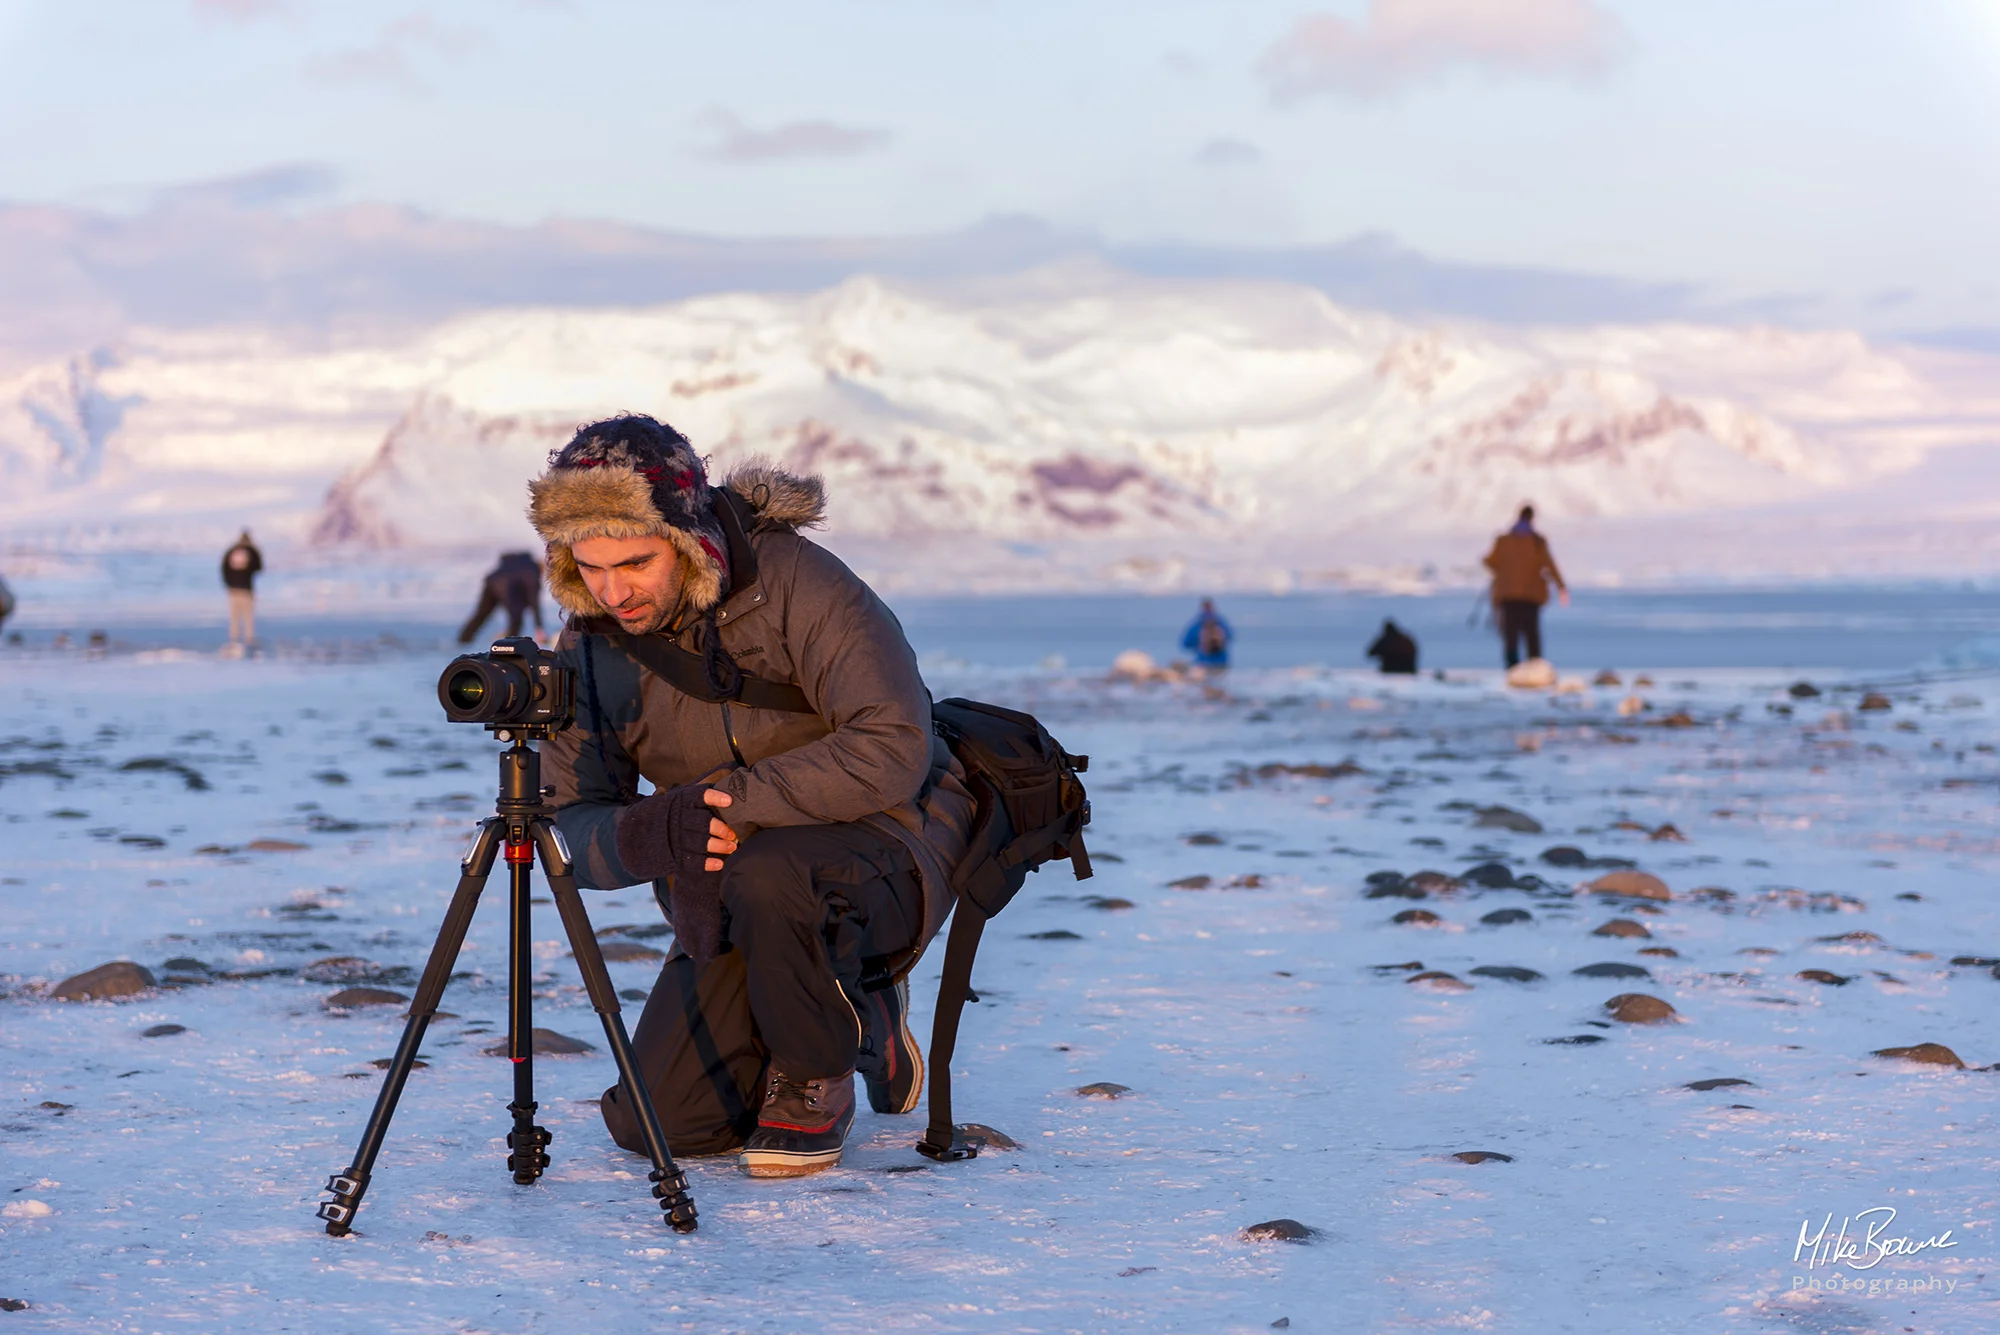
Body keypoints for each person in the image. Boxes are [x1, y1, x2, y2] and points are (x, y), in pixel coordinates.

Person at [530, 415, 975, 1179]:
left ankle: (817, 1071)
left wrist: (725, 802)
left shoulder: (800, 582)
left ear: (685, 537)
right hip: (727, 887)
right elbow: (566, 830)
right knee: (663, 1124)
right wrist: (649, 833)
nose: (612, 589)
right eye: (590, 566)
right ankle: (854, 1007)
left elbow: (894, 744)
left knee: (773, 870)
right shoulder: (593, 643)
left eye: (634, 561)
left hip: (890, 841)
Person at [1482, 505, 1567, 668]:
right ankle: (1535, 666)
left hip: (1508, 595)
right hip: (1531, 595)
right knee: (1531, 633)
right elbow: (1550, 564)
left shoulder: (1503, 540)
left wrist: (1503, 571)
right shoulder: (1537, 542)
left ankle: (1512, 667)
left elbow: (1490, 561)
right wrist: (1561, 586)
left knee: (1510, 634)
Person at [457, 551, 545, 644]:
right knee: (516, 618)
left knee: (482, 613)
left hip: (491, 581)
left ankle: (463, 639)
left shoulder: (521, 563)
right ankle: (510, 644)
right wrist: (539, 627)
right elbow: (534, 601)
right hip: (506, 586)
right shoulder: (532, 572)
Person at [221, 529, 263, 647]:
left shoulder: (231, 551)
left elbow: (224, 569)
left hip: (233, 590)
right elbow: (259, 567)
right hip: (246, 589)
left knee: (234, 617)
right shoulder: (252, 551)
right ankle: (249, 641)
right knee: (248, 617)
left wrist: (229, 584)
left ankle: (234, 641)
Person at [1181, 598, 1232, 668]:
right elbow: (1230, 636)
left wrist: (1197, 644)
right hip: (1221, 661)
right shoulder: (1220, 622)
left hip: (1203, 661)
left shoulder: (1197, 624)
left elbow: (1185, 643)